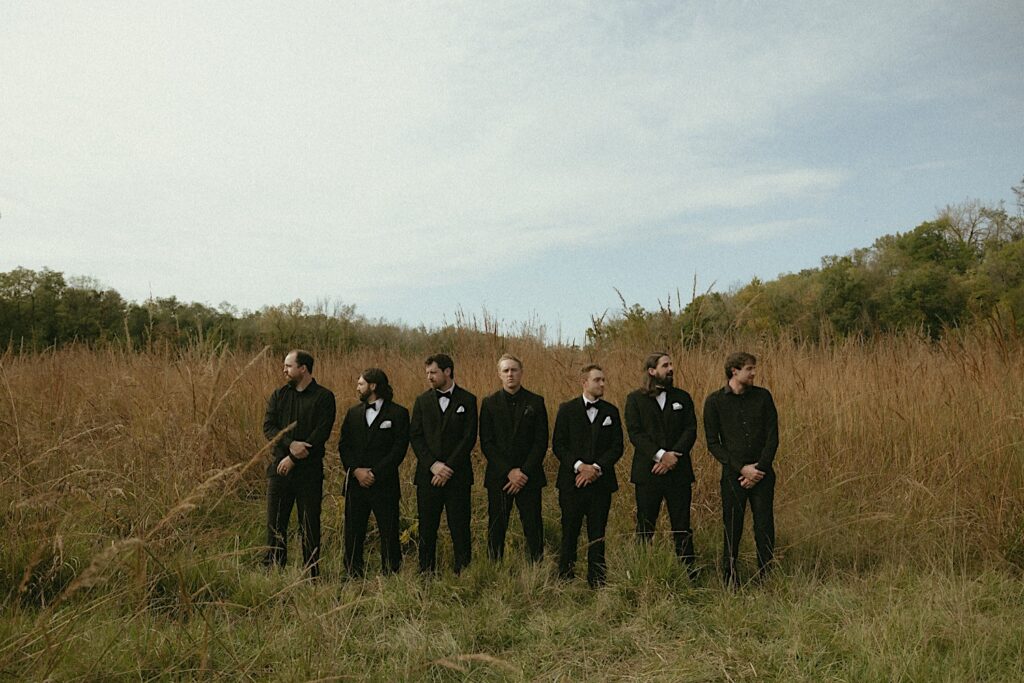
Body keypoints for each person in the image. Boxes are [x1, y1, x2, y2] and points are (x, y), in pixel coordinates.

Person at [704, 352, 779, 587]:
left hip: (763, 473)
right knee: (732, 526)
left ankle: (766, 575)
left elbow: (773, 436)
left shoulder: (763, 397)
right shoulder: (714, 402)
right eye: (749, 368)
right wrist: (742, 470)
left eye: (754, 368)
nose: (754, 373)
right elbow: (713, 444)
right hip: (732, 475)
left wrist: (759, 469)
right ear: (734, 371)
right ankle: (729, 578)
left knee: (764, 525)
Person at [262, 349, 336, 578]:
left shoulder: (324, 397)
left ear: (303, 368)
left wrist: (293, 457)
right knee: (275, 522)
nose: (284, 370)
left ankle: (312, 573)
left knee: (309, 523)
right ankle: (274, 570)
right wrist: (290, 443)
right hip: (280, 469)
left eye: (288, 366)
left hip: (309, 471)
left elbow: (321, 433)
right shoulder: (279, 395)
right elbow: (269, 427)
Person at [624, 352, 699, 574]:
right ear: (652, 371)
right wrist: (659, 455)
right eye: (665, 365)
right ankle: (641, 573)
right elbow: (635, 433)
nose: (671, 368)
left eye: (671, 364)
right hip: (648, 472)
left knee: (682, 525)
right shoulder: (635, 399)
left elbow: (690, 429)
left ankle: (688, 572)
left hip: (679, 471)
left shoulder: (683, 397)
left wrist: (672, 457)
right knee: (645, 525)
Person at [552, 364, 623, 587]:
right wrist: (580, 466)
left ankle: (597, 581)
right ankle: (565, 578)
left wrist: (596, 469)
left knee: (598, 533)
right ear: (585, 383)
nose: (602, 384)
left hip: (600, 484)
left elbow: (617, 446)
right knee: (569, 531)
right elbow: (558, 445)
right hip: (572, 483)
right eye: (597, 380)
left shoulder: (611, 411)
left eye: (603, 380)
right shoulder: (566, 409)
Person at [337, 368, 410, 577]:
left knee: (389, 531)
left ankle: (391, 574)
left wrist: (375, 473)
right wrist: (356, 472)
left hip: (384, 484)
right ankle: (352, 573)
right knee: (352, 532)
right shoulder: (353, 413)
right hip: (355, 484)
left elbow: (399, 449)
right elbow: (344, 446)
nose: (357, 387)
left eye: (361, 384)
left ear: (373, 386)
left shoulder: (398, 413)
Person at [409, 353, 478, 574]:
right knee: (427, 527)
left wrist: (448, 467)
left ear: (447, 371)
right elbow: (416, 437)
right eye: (427, 372)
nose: (429, 377)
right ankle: (426, 572)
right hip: (428, 476)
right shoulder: (421, 401)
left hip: (457, 475)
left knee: (460, 526)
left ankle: (463, 571)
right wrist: (433, 465)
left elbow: (469, 437)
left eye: (433, 372)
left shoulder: (468, 400)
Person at [479, 353, 549, 562]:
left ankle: (537, 568)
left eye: (514, 370)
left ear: (521, 372)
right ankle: (494, 567)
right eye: (505, 370)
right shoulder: (489, 403)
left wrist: (523, 472)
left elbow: (541, 441)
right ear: (499, 375)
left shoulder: (536, 402)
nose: (510, 374)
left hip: (530, 476)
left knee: (533, 525)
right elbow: (487, 443)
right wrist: (509, 472)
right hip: (500, 476)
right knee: (497, 525)